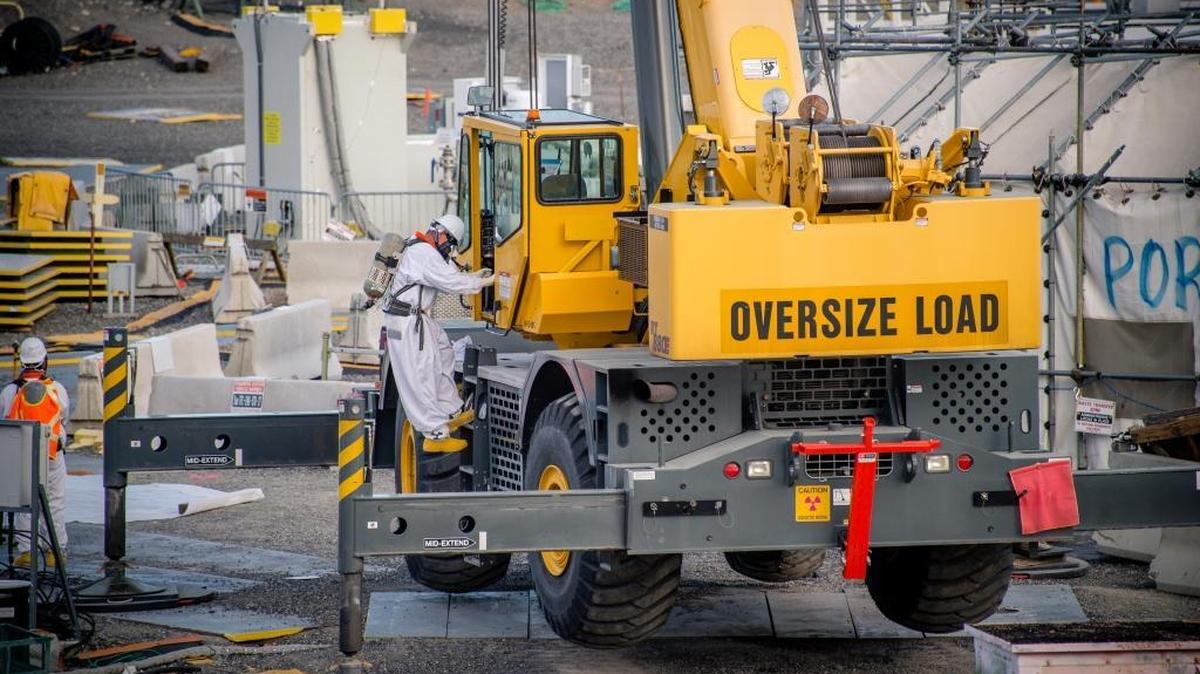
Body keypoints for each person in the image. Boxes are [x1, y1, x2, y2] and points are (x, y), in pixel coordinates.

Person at [383, 214, 494, 452]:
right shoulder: (424, 253)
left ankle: (450, 410)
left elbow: (447, 275)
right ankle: (435, 434)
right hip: (408, 320)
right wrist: (484, 283)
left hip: (410, 317)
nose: (449, 248)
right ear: (439, 232)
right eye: (450, 242)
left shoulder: (418, 246)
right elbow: (449, 282)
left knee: (443, 351)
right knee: (422, 373)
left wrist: (474, 277)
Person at [3, 337, 69, 567]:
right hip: (52, 454)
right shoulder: (57, 389)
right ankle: (55, 552)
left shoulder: (10, 392)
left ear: (22, 362)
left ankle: (26, 551)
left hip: (21, 455)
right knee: (55, 501)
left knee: (23, 501)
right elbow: (63, 420)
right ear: (45, 361)